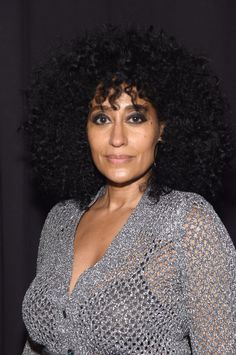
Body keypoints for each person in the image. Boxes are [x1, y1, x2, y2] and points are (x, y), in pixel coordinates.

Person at [21, 24, 236, 354]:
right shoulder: (59, 220)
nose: (117, 138)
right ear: (81, 128)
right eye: (102, 118)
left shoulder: (187, 223)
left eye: (135, 117)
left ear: (162, 129)